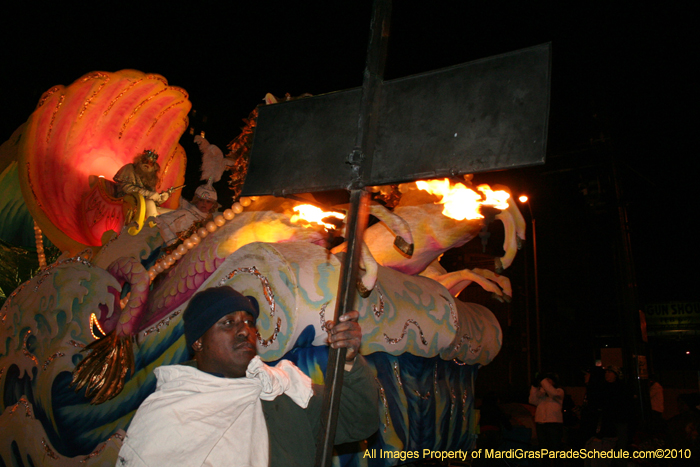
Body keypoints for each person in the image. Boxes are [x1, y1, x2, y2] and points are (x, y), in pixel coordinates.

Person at [117, 286, 379, 467]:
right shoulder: (169, 412)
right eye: (228, 323)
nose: (245, 330)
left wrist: (348, 360)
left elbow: (358, 421)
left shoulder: (281, 388)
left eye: (249, 322)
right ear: (198, 342)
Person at [153, 183, 217, 245]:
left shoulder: (212, 222)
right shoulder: (185, 214)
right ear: (196, 200)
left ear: (212, 204)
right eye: (201, 200)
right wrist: (172, 241)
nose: (204, 204)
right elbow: (160, 220)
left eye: (208, 202)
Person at [113, 149, 169, 218]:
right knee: (150, 203)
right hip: (127, 202)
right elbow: (126, 188)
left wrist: (161, 198)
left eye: (151, 162)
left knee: (172, 213)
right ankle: (151, 227)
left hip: (144, 205)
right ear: (140, 160)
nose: (147, 164)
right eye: (145, 160)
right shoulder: (130, 168)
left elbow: (153, 199)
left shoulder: (151, 177)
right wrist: (148, 193)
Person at [529, 372, 564, 450]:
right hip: (540, 424)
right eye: (545, 380)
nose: (546, 382)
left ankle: (556, 462)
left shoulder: (559, 392)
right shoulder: (541, 394)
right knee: (543, 448)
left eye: (549, 380)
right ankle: (545, 462)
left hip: (554, 424)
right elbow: (532, 400)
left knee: (555, 448)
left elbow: (552, 392)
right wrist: (534, 387)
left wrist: (543, 380)